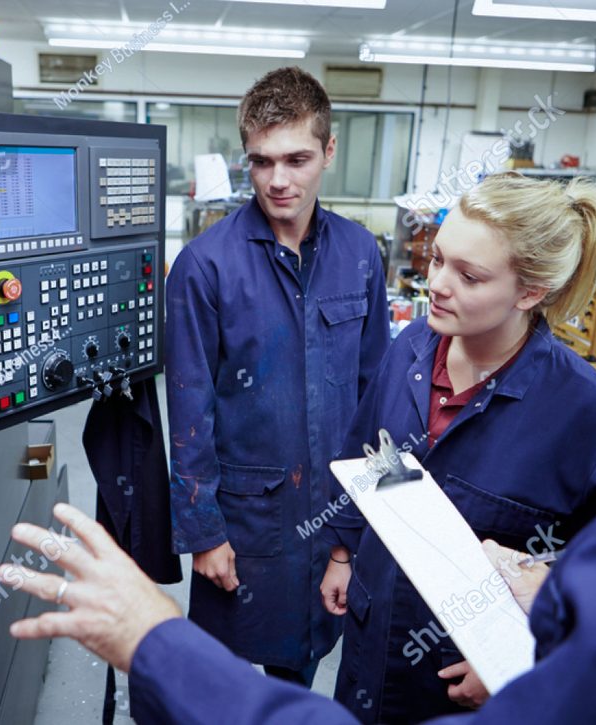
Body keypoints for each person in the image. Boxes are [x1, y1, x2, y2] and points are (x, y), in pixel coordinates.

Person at [0, 0, 596, 722]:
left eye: (466, 273)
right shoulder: (223, 273)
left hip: (359, 550)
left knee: (305, 658)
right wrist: (215, 532)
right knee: (236, 656)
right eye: (436, 262)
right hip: (262, 510)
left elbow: (373, 402)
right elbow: (200, 406)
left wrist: (353, 556)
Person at [319, 172, 596, 722]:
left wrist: (522, 657)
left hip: (465, 679)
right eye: (438, 260)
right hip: (371, 635)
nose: (437, 283)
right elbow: (371, 453)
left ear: (531, 292)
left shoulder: (583, 412)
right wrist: (344, 553)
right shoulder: (412, 348)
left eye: (469, 275)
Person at [164, 66, 389, 685]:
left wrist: (350, 541)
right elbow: (189, 412)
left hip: (332, 519)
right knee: (220, 683)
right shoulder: (203, 267)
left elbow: (377, 405)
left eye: (297, 158)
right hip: (246, 523)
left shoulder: (361, 254)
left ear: (329, 151)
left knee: (301, 672)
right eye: (261, 162)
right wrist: (205, 534)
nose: (279, 180)